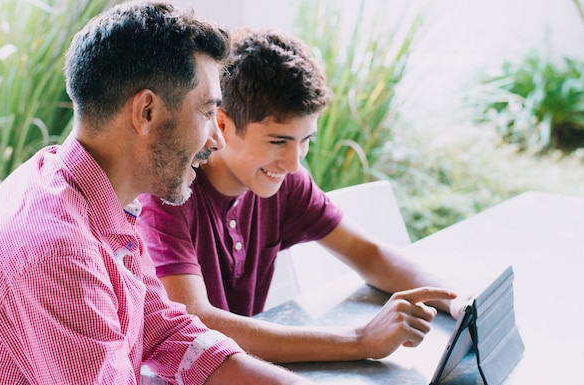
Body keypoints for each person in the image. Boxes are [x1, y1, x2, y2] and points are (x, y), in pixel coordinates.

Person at [0, 3, 365, 385]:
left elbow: (163, 330)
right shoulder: (57, 251)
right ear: (147, 111)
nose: (217, 140)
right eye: (208, 112)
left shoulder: (83, 193)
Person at [137, 27, 465, 364]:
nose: (294, 164)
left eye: (306, 140)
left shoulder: (282, 182)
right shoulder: (168, 192)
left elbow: (368, 254)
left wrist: (457, 301)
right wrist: (360, 341)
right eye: (278, 142)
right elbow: (198, 323)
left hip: (248, 382)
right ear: (221, 124)